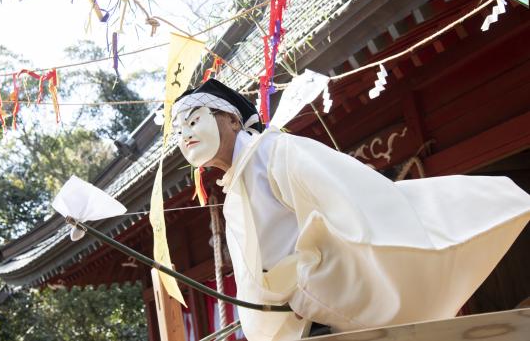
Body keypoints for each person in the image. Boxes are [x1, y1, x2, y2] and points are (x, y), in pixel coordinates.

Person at [171, 79, 530, 341]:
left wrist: (309, 285)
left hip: (326, 310)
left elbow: (354, 204)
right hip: (300, 321)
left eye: (193, 119)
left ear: (234, 120)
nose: (186, 134)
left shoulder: (276, 152)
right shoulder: (235, 187)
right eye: (178, 130)